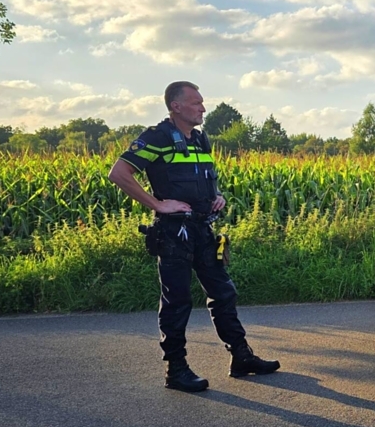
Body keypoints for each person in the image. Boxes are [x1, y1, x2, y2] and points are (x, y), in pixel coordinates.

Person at [108, 82, 280, 393]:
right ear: (175, 106)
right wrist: (158, 204)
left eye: (202, 103)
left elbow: (201, 179)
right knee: (177, 301)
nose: (203, 108)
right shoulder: (157, 137)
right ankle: (176, 370)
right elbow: (118, 173)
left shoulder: (200, 139)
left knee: (224, 293)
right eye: (196, 103)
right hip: (174, 232)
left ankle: (241, 357)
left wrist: (217, 197)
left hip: (204, 228)